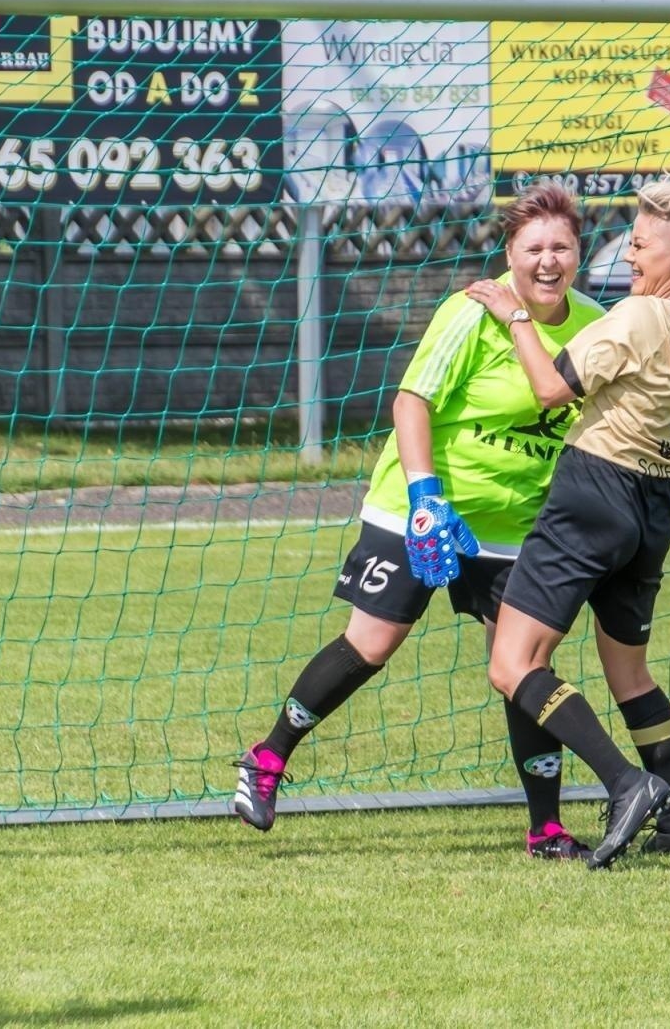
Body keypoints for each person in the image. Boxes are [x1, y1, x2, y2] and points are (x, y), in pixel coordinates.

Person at [233, 182, 607, 859]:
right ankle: (267, 757)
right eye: (533, 249)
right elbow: (413, 402)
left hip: (516, 526)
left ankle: (546, 828)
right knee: (372, 644)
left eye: (562, 247)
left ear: (579, 252)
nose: (548, 261)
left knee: (523, 665)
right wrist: (427, 497)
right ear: (509, 254)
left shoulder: (594, 322)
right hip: (421, 507)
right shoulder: (472, 312)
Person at [480, 165, 670, 869]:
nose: (628, 256)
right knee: (629, 672)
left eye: (638, 245)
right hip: (657, 507)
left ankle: (626, 783)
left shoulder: (635, 316)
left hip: (594, 491)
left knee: (513, 664)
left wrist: (513, 313)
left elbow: (547, 388)